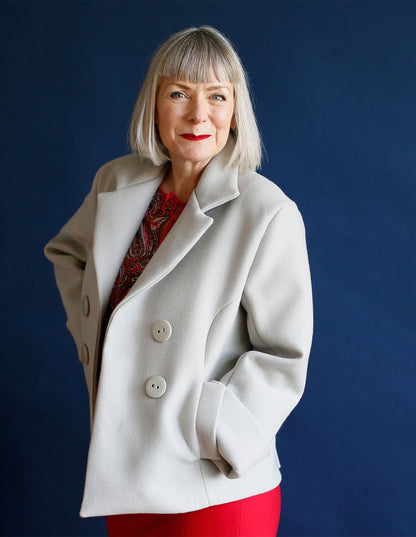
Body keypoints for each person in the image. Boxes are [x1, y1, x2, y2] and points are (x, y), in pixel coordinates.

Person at [44, 26, 313, 537]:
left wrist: (215, 424)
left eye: (217, 96)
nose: (198, 115)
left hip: (212, 484)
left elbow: (284, 352)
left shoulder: (267, 211)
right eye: (179, 94)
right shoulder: (115, 181)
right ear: (154, 104)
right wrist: (94, 339)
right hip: (126, 474)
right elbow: (69, 254)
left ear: (236, 110)